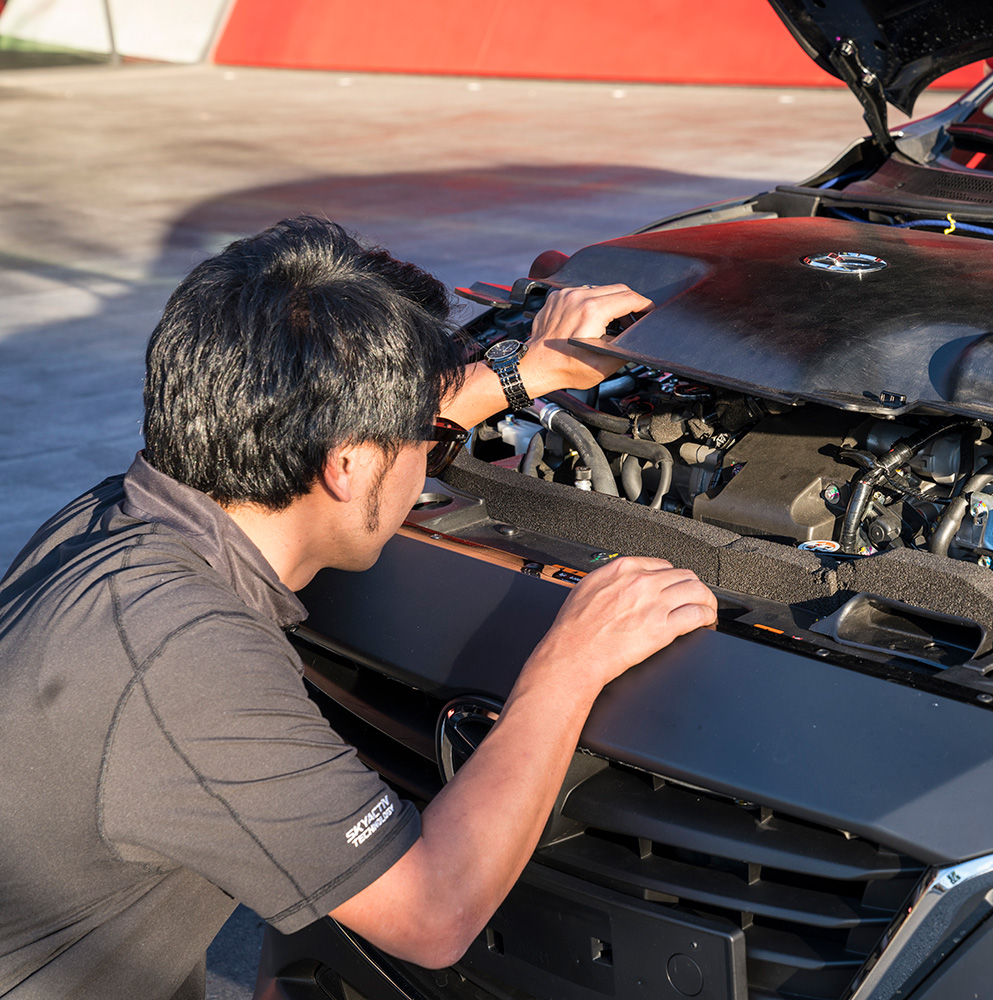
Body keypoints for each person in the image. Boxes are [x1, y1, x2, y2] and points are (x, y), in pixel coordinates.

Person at [0, 216, 717, 998]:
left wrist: (521, 375)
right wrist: (570, 662)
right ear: (347, 464)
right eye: (421, 438)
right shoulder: (185, 656)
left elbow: (344, 443)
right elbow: (432, 913)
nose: (427, 458)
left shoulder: (119, 517)